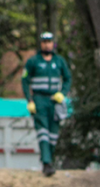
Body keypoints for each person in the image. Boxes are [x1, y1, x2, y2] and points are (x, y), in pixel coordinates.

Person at [21, 31, 71, 177]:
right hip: (39, 100)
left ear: (53, 44)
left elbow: (68, 78)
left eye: (49, 42)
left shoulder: (59, 61)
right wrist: (29, 100)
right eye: (44, 42)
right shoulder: (33, 61)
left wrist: (63, 93)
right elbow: (25, 81)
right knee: (43, 133)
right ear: (41, 44)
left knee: (53, 135)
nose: (47, 44)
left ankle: (48, 160)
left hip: (55, 101)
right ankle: (47, 164)